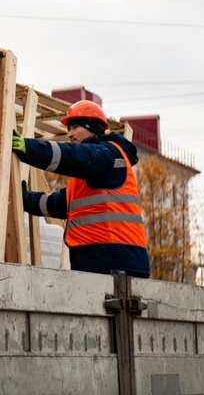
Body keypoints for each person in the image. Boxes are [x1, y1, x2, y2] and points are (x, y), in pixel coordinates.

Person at [12, 100, 150, 278]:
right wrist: (26, 199)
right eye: (68, 129)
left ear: (92, 127)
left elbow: (72, 156)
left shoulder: (109, 155)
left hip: (115, 262)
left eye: (75, 127)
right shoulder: (91, 172)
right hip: (103, 261)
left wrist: (29, 148)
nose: (69, 134)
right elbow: (59, 204)